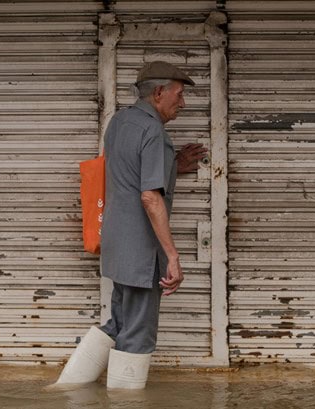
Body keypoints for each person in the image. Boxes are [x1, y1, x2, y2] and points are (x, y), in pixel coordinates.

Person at [52, 61, 207, 389]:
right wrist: (172, 256)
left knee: (119, 322)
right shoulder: (154, 132)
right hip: (141, 252)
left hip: (117, 244)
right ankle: (125, 400)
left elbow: (127, 172)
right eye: (179, 95)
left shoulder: (119, 122)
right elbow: (150, 198)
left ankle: (65, 389)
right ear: (159, 92)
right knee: (138, 333)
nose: (184, 102)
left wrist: (172, 164)